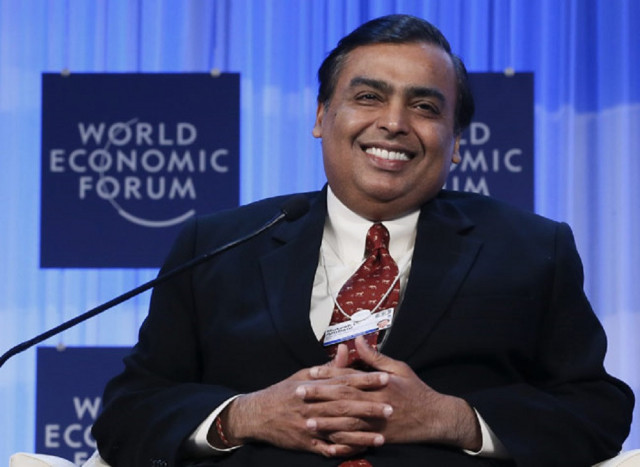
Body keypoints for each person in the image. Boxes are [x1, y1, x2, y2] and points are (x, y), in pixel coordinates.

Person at [92, 14, 634, 467]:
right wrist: (244, 416)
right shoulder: (217, 245)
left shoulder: (531, 249)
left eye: (425, 107)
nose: (394, 123)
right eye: (369, 96)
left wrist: (454, 419)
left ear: (456, 142)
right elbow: (128, 411)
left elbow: (596, 409)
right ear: (322, 116)